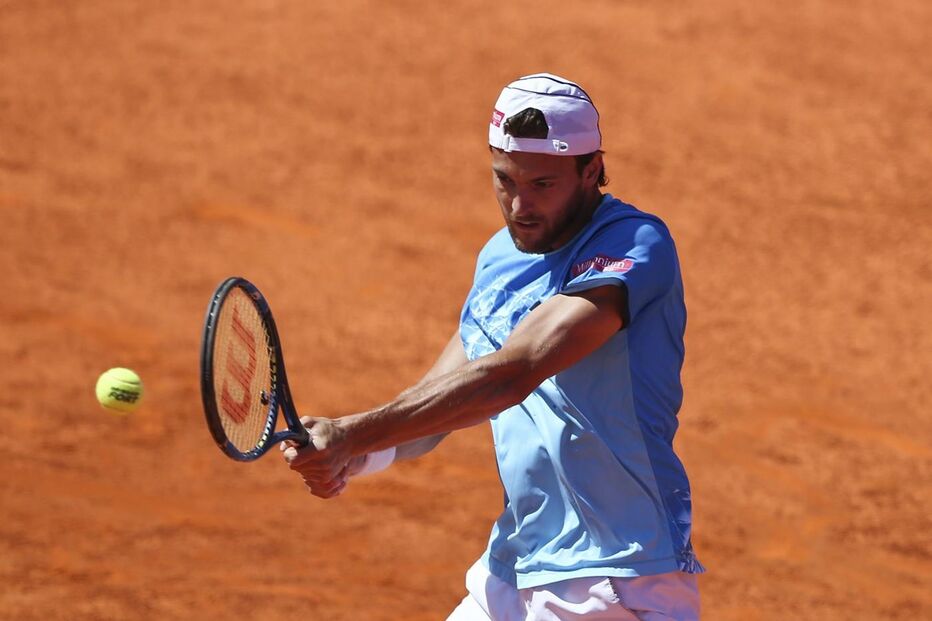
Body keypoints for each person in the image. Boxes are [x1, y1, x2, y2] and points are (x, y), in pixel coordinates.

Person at [282, 73, 704, 620]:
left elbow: (513, 373)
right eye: (505, 180)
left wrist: (353, 432)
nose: (519, 204)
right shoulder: (500, 259)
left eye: (543, 185)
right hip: (513, 568)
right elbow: (440, 401)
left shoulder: (634, 245)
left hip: (613, 578)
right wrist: (359, 452)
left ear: (592, 170)